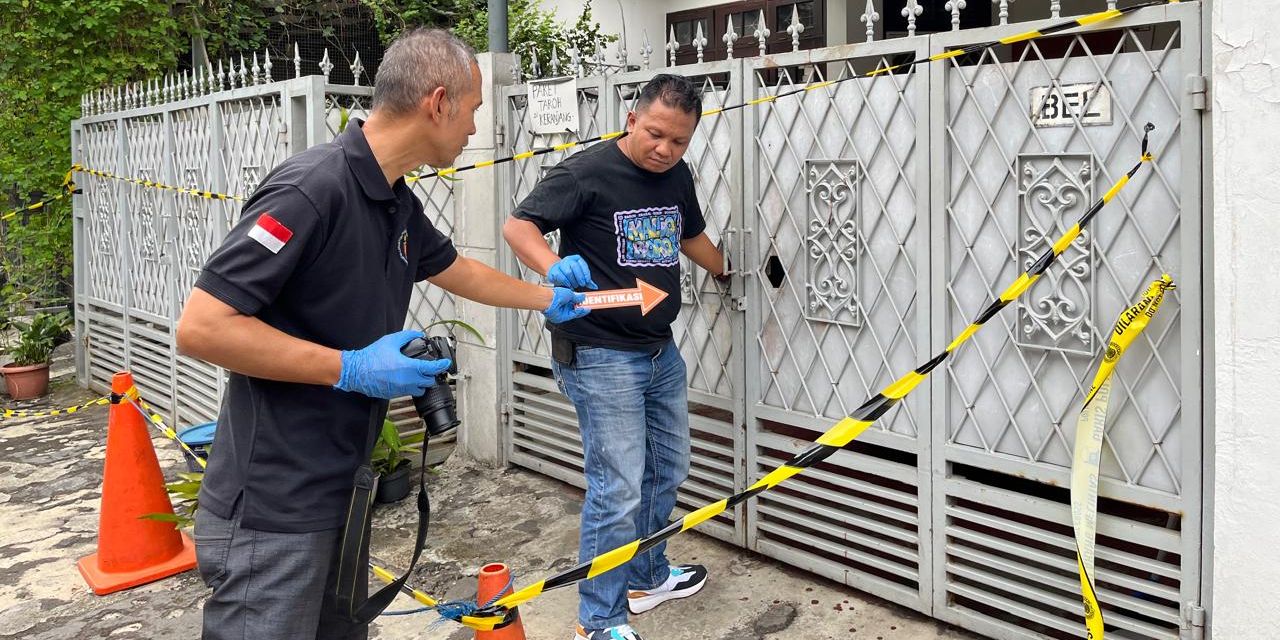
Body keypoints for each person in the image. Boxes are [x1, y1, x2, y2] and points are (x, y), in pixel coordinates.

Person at [175, 29, 587, 640]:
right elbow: (203, 328)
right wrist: (351, 368)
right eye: (473, 110)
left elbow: (458, 270)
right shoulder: (312, 190)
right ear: (439, 102)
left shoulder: (393, 197)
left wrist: (550, 298)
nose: (475, 128)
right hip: (275, 502)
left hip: (342, 489)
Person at [503, 73, 727, 640]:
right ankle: (597, 620)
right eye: (655, 134)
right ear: (632, 119)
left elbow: (688, 235)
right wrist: (551, 266)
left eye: (679, 141)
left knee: (667, 469)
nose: (665, 149)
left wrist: (725, 267)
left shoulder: (676, 175)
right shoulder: (587, 172)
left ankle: (646, 576)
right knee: (618, 486)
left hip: (658, 351)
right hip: (599, 352)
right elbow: (518, 225)